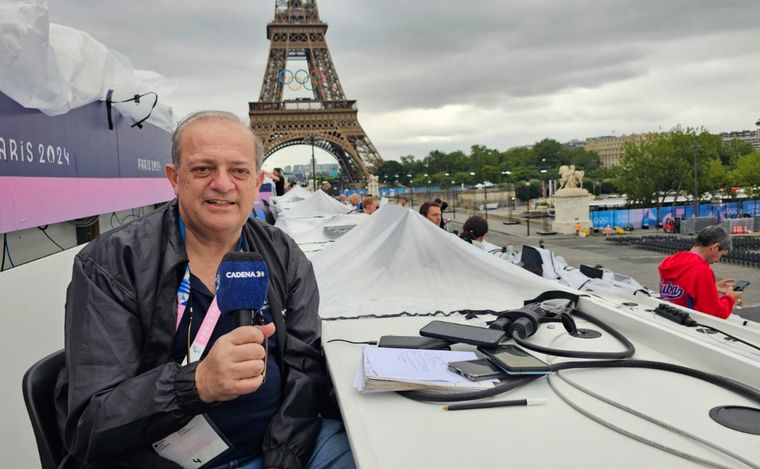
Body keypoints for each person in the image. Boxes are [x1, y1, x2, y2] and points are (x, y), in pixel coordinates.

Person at [55, 111, 354, 469]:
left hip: (285, 447)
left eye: (239, 171)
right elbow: (89, 425)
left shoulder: (284, 253)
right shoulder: (112, 263)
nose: (223, 184)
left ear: (256, 180)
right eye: (203, 169)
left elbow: (305, 369)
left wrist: (286, 457)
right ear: (174, 178)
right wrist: (196, 384)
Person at [658, 225, 741, 319]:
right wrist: (730, 297)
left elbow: (683, 293)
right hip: (689, 325)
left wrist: (711, 287)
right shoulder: (702, 271)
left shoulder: (670, 262)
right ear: (715, 247)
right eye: (721, 254)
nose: (718, 260)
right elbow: (715, 315)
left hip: (670, 319)